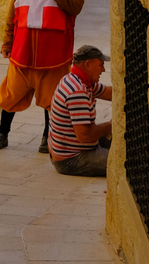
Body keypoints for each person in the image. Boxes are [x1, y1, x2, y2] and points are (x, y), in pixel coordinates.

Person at [0, 0, 84, 153]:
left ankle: (46, 138)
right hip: (23, 52)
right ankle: (2, 133)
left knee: (52, 100)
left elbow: (75, 7)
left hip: (54, 55)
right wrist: (7, 41)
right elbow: (14, 14)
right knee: (9, 95)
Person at [48, 43, 112, 176]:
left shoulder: (78, 80)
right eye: (100, 65)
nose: (103, 70)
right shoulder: (77, 91)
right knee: (126, 163)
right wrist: (111, 125)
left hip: (69, 150)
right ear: (88, 64)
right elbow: (85, 136)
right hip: (72, 159)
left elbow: (109, 93)